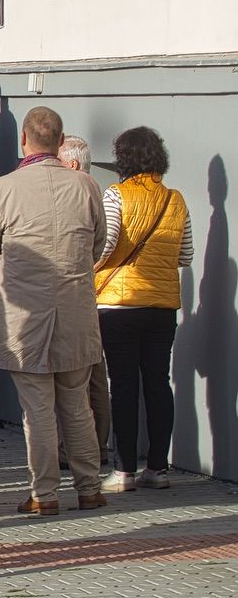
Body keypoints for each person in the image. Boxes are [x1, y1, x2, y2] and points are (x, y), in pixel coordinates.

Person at [0, 107, 106, 516]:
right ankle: (89, 488)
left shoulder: (4, 188)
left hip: (24, 316)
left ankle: (45, 494)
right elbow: (97, 245)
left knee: (38, 410)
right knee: (77, 405)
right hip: (75, 310)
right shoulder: (86, 185)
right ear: (60, 141)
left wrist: (9, 282)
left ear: (23, 140)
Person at [96, 126, 192, 493]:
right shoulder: (175, 200)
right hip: (162, 305)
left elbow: (105, 245)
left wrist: (90, 269)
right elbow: (185, 255)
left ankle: (123, 472)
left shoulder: (115, 194)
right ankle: (157, 469)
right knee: (158, 383)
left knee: (123, 385)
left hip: (118, 304)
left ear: (123, 158)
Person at [57, 135, 111, 459]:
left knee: (76, 378)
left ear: (73, 165)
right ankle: (99, 446)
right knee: (94, 375)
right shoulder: (95, 194)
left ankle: (75, 449)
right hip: (92, 295)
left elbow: (100, 246)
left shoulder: (78, 196)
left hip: (79, 295)